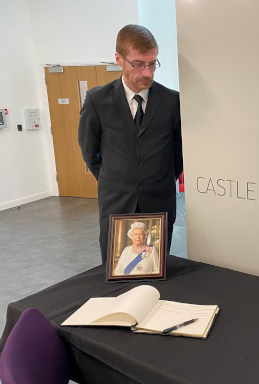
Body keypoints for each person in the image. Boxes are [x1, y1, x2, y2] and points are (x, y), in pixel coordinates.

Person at [78, 24, 182, 263]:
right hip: (116, 202)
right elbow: (89, 150)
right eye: (138, 64)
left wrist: (158, 178)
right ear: (119, 59)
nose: (147, 72)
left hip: (159, 201)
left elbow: (179, 153)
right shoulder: (97, 100)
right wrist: (115, 178)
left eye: (152, 63)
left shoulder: (172, 101)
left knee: (155, 269)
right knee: (117, 271)